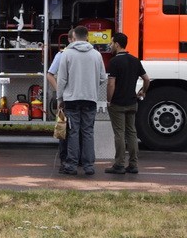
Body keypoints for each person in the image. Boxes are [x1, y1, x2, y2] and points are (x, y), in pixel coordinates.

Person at [56, 25, 106, 175]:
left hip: (72, 99)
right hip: (90, 99)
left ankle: (71, 165)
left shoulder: (67, 54)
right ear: (87, 37)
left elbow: (62, 79)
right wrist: (91, 85)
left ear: (74, 36)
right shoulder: (96, 55)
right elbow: (103, 78)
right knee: (88, 132)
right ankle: (89, 166)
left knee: (73, 132)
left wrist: (60, 98)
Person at [105, 32, 150, 174]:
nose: (110, 45)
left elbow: (111, 84)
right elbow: (147, 79)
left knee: (119, 133)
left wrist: (108, 100)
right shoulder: (135, 60)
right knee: (131, 132)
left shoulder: (114, 62)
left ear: (117, 44)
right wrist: (143, 91)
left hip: (117, 103)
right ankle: (133, 164)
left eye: (112, 43)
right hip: (132, 102)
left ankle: (119, 164)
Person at [45, 43, 68, 166]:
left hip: (64, 97)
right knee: (64, 129)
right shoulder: (62, 55)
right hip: (68, 97)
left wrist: (60, 93)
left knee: (62, 128)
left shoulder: (62, 55)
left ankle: (64, 160)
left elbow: (50, 74)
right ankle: (67, 159)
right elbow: (50, 75)